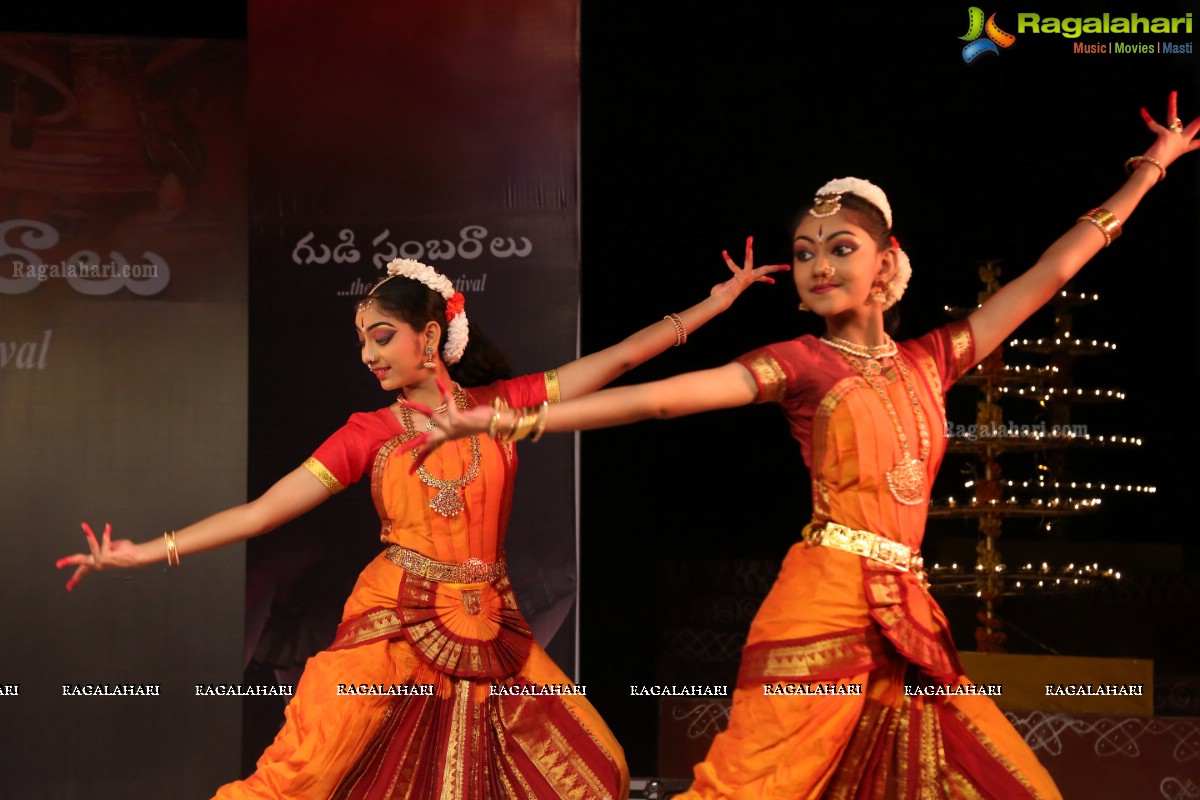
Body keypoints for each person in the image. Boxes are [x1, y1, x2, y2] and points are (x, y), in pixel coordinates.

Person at [408, 94, 1200, 798]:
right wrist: (511, 420)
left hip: (908, 612)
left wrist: (1151, 169)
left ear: (886, 262)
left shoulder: (935, 356)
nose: (820, 264)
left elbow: (1053, 269)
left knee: (1001, 781)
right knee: (754, 785)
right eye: (808, 252)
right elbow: (658, 400)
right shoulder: (800, 364)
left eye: (841, 247)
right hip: (823, 602)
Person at [56, 248, 785, 798]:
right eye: (363, 341)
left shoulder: (505, 402)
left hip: (491, 626)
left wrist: (716, 304)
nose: (368, 354)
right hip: (395, 621)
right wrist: (147, 552)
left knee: (594, 767)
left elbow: (621, 358)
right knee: (307, 767)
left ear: (429, 337)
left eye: (380, 337)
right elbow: (263, 510)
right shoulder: (367, 431)